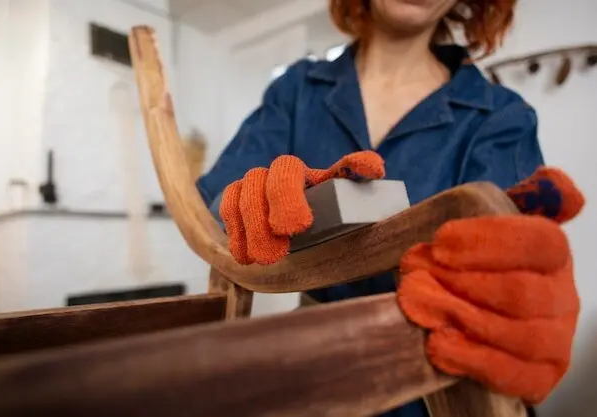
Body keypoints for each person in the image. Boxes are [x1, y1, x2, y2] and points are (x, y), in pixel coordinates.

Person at [196, 1, 583, 416]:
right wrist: (249, 203)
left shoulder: (502, 116)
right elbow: (216, 204)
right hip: (310, 377)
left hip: (437, 390)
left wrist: (520, 293)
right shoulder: (297, 89)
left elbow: (509, 264)